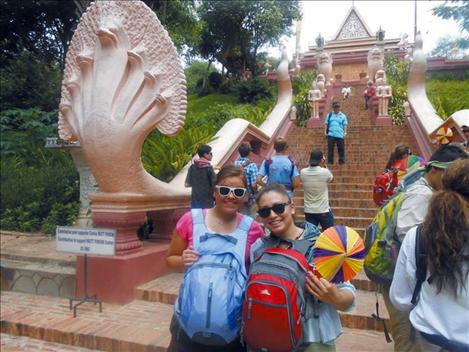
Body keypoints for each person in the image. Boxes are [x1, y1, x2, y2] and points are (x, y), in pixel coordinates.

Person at [167, 165, 264, 352]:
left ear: (244, 195)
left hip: (232, 328)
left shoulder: (253, 229)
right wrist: (182, 260)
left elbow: (256, 272)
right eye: (225, 190)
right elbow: (170, 260)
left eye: (238, 191)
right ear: (214, 192)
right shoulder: (190, 220)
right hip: (187, 324)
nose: (231, 196)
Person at [382, 144, 468, 352]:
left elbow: (401, 298)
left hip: (429, 335)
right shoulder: (420, 195)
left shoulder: (419, 234)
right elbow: (405, 232)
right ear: (435, 170)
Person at [251, 184, 356, 351]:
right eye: (265, 212)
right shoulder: (258, 248)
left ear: (292, 208)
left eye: (279, 208)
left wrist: (334, 297)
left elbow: (348, 294)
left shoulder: (323, 246)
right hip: (271, 337)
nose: (272, 215)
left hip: (313, 339)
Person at [300, 149, 334, 230]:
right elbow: (332, 179)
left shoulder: (303, 172)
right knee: (329, 236)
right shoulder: (325, 172)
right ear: (321, 160)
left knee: (311, 237)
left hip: (309, 210)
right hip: (323, 210)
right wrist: (324, 164)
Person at [185, 144, 216, 209]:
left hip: (195, 199)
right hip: (207, 200)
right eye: (210, 153)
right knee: (207, 217)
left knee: (197, 218)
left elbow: (187, 184)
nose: (212, 155)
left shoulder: (192, 167)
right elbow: (214, 184)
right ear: (205, 154)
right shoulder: (209, 168)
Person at [234, 141, 259, 216]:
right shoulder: (252, 165)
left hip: (238, 194)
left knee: (241, 217)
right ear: (250, 152)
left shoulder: (235, 164)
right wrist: (257, 193)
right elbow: (254, 185)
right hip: (250, 195)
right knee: (252, 217)